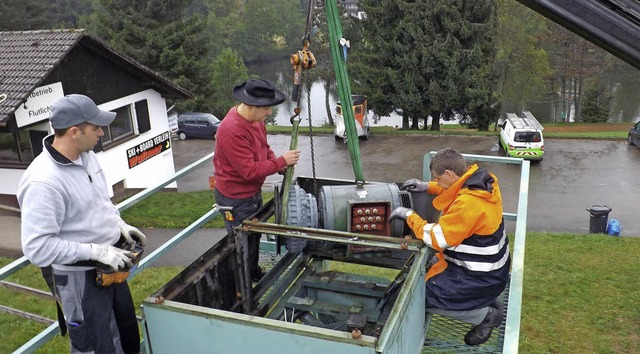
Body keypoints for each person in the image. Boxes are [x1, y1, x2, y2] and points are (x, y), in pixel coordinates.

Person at [18, 94, 147, 354]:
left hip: (111, 266)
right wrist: (96, 251)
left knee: (125, 333)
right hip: (79, 280)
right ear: (75, 131)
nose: (102, 132)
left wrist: (118, 223)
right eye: (95, 127)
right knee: (95, 345)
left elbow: (101, 201)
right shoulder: (43, 181)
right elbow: (38, 248)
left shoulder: (87, 156)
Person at [389, 148, 510, 346]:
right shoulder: (483, 182)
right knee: (430, 271)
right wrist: (427, 187)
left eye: (437, 179)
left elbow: (438, 238)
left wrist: (409, 216)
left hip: (478, 277)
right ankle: (485, 299)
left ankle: (485, 316)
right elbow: (455, 189)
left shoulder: (469, 204)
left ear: (449, 174)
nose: (437, 182)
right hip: (494, 270)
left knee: (421, 296)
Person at [213, 78, 300, 282]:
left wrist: (277, 164)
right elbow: (249, 171)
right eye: (266, 108)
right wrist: (280, 161)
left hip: (250, 194)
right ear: (252, 106)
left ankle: (251, 273)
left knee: (254, 239)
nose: (269, 113)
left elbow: (264, 147)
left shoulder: (255, 120)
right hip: (236, 200)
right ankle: (241, 288)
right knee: (243, 247)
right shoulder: (231, 130)